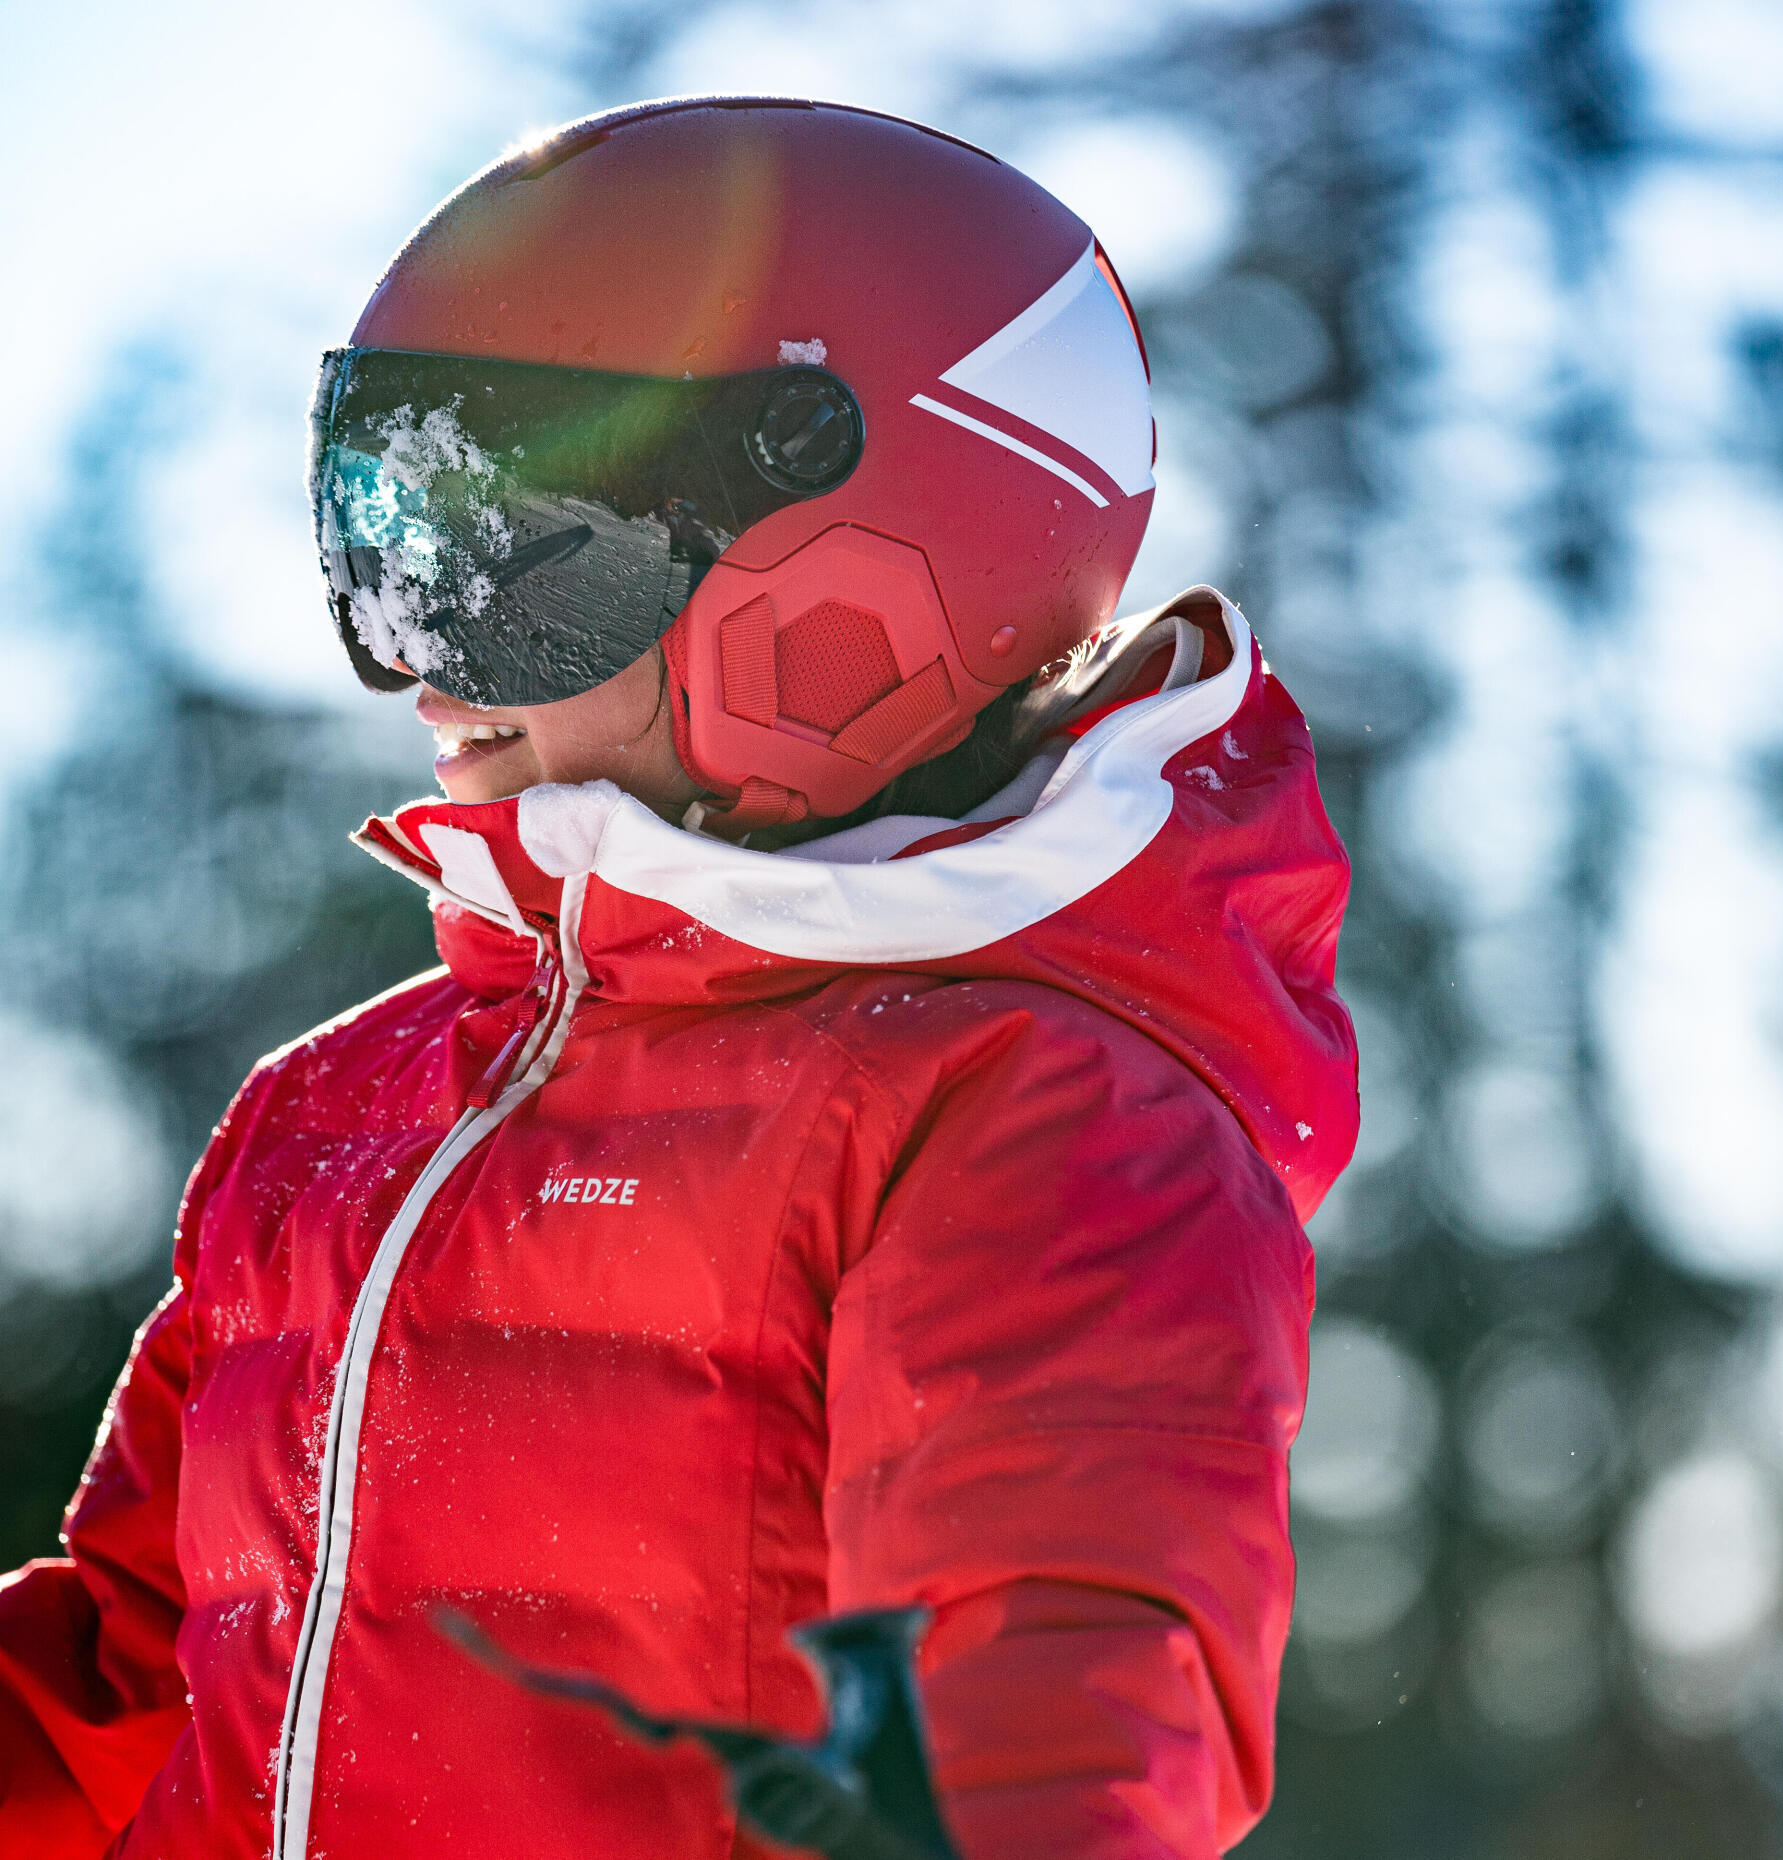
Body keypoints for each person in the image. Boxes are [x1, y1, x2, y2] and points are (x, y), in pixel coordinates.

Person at [0, 99, 1357, 1860]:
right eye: (391, 551)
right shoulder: (336, 1113)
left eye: (513, 570)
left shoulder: (1039, 1116)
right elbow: (134, 1672)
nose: (422, 667)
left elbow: (1029, 1752)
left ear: (859, 567)